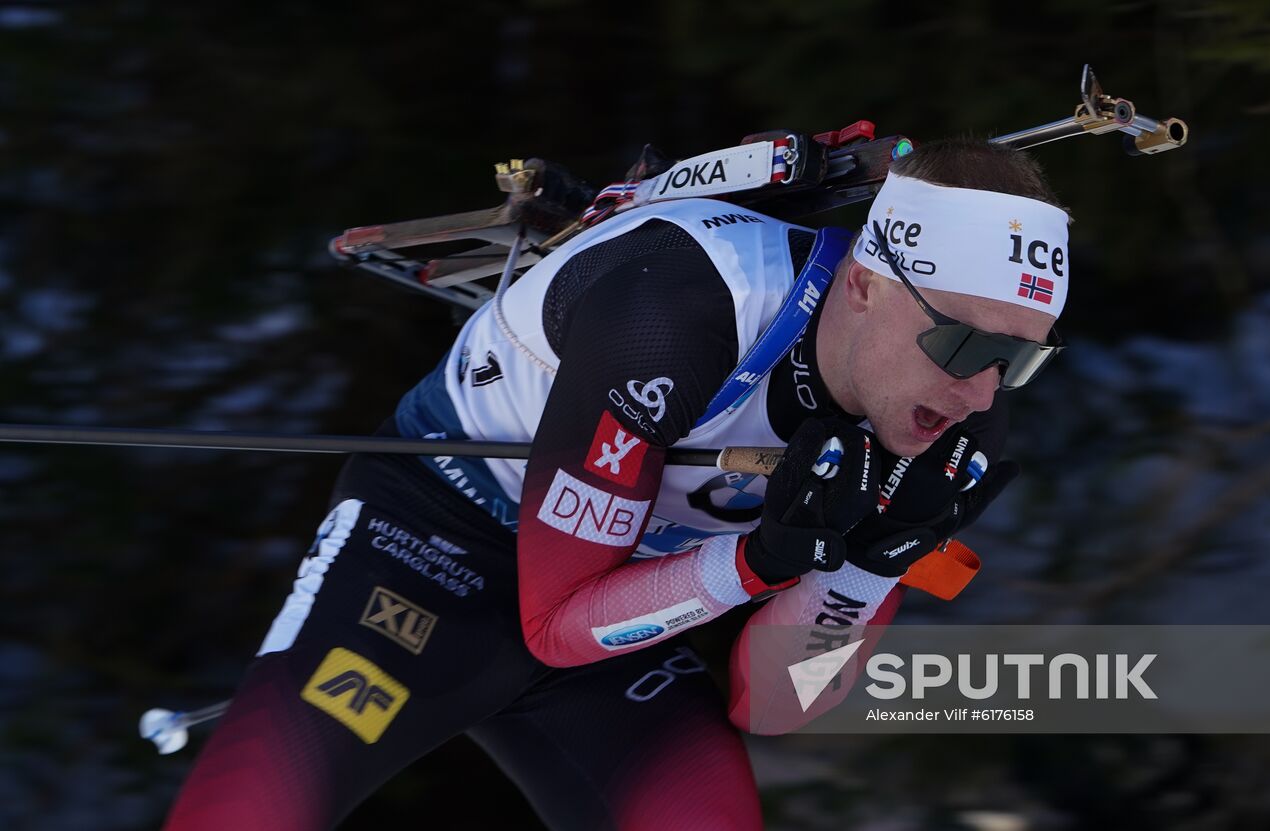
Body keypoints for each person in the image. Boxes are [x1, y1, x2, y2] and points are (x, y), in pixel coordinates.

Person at [163, 136, 1070, 830]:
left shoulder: (955, 406)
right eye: (965, 344)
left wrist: (870, 570)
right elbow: (555, 625)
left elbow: (775, 703)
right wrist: (754, 565)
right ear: (867, 284)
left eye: (1019, 361)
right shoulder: (680, 306)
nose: (983, 390)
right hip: (439, 542)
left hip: (626, 592)